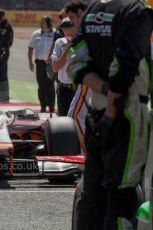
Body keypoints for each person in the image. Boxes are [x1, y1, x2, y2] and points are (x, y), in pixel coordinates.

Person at [67, 0, 153, 229]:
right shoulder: (137, 11)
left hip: (95, 112)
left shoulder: (93, 10)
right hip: (127, 114)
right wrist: (112, 112)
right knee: (121, 195)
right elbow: (125, 67)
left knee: (92, 195)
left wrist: (104, 93)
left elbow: (76, 64)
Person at [64, 0, 89, 154]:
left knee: (73, 117)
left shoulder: (87, 28)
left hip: (89, 80)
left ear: (80, 13)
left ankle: (88, 156)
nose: (71, 22)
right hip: (96, 79)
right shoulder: (94, 23)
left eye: (72, 17)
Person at [28, 16, 55, 112]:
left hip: (51, 64)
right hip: (39, 63)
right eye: (40, 23)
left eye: (43, 23)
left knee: (50, 85)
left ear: (48, 23)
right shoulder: (36, 34)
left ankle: (51, 106)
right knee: (41, 85)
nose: (41, 24)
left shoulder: (55, 33)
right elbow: (30, 47)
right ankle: (43, 106)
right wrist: (30, 62)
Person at [51, 17, 76, 116]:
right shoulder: (60, 42)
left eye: (69, 27)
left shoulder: (84, 41)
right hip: (64, 89)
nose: (66, 30)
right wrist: (67, 49)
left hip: (80, 89)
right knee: (64, 121)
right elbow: (55, 68)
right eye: (63, 28)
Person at [0, 9, 13, 103]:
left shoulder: (5, 26)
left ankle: (4, 96)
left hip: (3, 52)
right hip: (0, 52)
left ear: (0, 16)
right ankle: (2, 95)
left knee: (2, 73)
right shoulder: (1, 25)